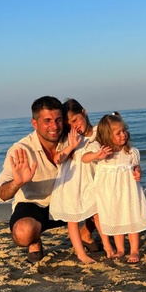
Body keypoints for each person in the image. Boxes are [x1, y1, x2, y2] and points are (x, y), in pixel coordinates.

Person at [0, 96, 68, 263]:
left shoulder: (72, 140)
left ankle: (84, 234)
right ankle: (34, 241)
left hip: (68, 202)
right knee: (23, 233)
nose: (54, 126)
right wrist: (17, 183)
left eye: (58, 120)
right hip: (35, 205)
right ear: (34, 123)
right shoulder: (21, 150)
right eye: (47, 121)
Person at [82, 112, 146, 263]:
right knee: (116, 219)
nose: (123, 135)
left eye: (124, 131)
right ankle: (120, 249)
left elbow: (136, 166)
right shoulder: (103, 152)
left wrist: (138, 171)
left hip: (128, 192)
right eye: (118, 133)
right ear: (107, 135)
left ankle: (135, 250)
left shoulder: (130, 152)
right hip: (109, 194)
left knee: (131, 218)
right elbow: (84, 158)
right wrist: (97, 155)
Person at [49, 99, 100, 264]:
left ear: (84, 112)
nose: (74, 126)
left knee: (98, 213)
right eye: (69, 124)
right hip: (72, 183)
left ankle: (108, 247)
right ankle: (81, 254)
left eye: (75, 120)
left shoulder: (99, 132)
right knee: (73, 219)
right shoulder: (68, 138)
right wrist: (71, 145)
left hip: (93, 181)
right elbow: (57, 159)